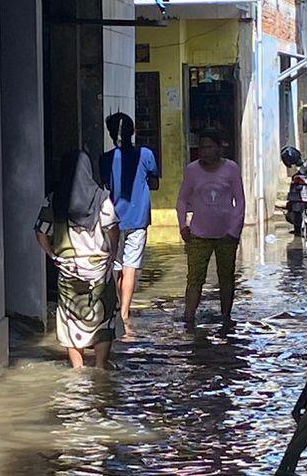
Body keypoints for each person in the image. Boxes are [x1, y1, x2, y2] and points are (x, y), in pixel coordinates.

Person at [36, 150, 121, 369]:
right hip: (99, 269)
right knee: (103, 316)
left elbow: (40, 231)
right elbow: (112, 228)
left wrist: (52, 254)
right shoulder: (101, 197)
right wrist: (112, 253)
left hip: (68, 270)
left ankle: (78, 368)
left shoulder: (54, 199)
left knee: (70, 317)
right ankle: (101, 365)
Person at [176, 128, 244, 327]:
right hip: (198, 235)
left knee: (227, 278)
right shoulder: (192, 170)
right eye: (201, 147)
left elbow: (239, 201)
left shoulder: (231, 169)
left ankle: (226, 318)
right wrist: (183, 225)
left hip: (226, 235)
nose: (204, 151)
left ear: (219, 148)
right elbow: (181, 200)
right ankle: (189, 318)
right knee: (194, 279)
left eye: (208, 147)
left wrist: (234, 231)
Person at [101, 111, 160, 336]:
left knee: (114, 264)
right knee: (131, 265)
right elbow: (154, 182)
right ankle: (125, 312)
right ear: (133, 131)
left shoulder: (105, 158)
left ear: (110, 133)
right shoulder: (145, 155)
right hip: (138, 217)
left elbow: (104, 184)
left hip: (113, 219)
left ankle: (115, 309)